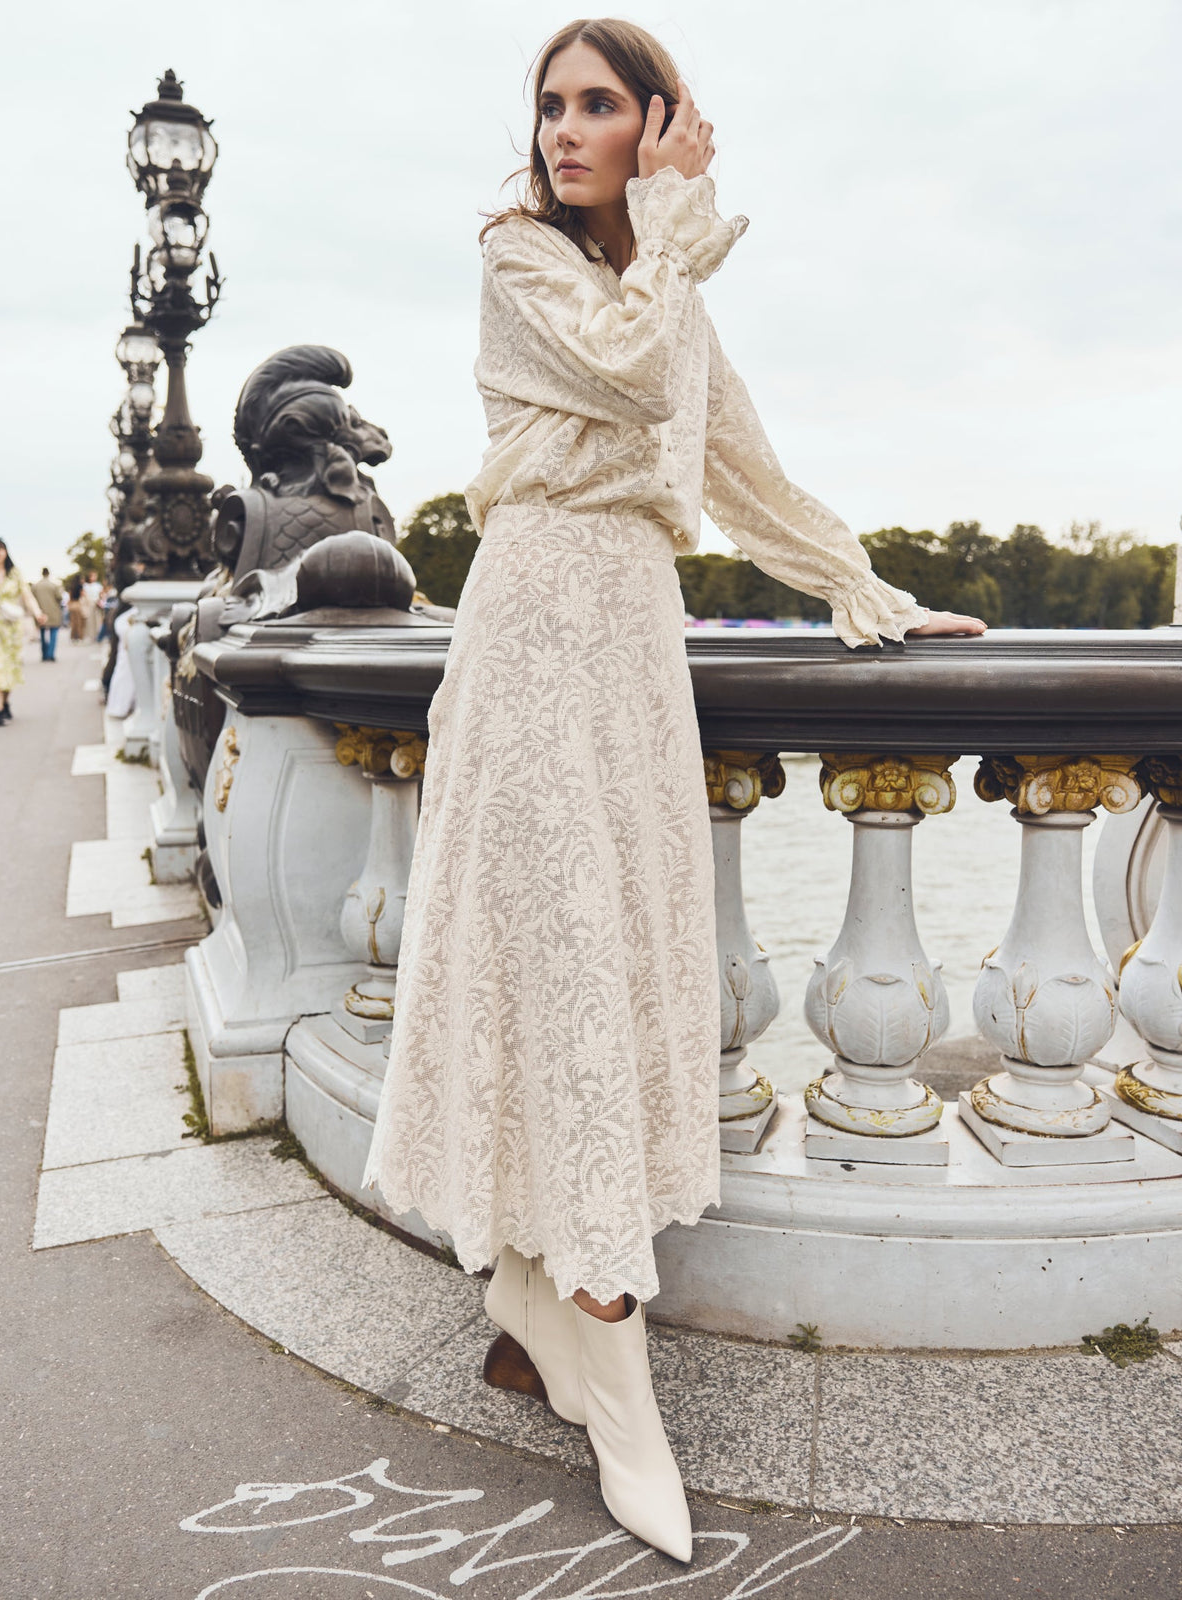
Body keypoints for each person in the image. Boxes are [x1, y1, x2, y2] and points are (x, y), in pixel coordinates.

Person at [361, 18, 986, 1562]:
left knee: (618, 970)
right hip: (527, 642)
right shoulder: (521, 257)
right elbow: (632, 356)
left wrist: (867, 589)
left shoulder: (665, 282)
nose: (567, 130)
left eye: (597, 105)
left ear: (656, 119)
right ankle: (611, 1372)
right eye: (551, 105)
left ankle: (530, 1300)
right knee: (559, 970)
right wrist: (686, 231)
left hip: (633, 649)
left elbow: (740, 468)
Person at [0, 538, 47, 725]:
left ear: (5, 551)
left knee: (10, 666)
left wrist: (38, 614)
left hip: (11, 628)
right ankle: (0, 710)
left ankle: (5, 701)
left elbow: (27, 596)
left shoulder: (15, 574)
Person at [30, 567, 64, 661]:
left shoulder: (35, 586)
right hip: (53, 612)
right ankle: (51, 654)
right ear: (49, 574)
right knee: (53, 633)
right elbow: (59, 597)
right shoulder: (53, 585)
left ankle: (44, 655)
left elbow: (31, 599)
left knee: (42, 634)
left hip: (40, 612)